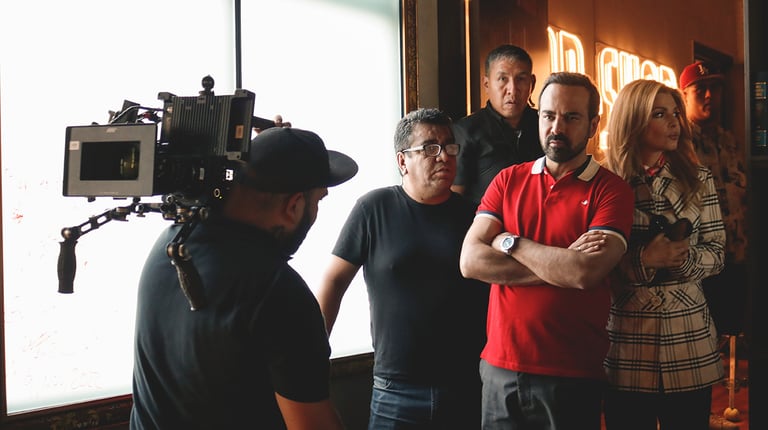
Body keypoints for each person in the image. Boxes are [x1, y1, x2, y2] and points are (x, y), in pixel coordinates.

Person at [130, 127, 358, 429]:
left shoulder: (171, 246)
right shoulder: (278, 290)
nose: (315, 212)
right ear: (293, 206)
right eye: (318, 201)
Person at [459, 71, 634, 430]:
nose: (557, 127)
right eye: (549, 115)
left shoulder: (611, 191)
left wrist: (509, 242)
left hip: (571, 372)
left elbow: (584, 273)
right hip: (499, 367)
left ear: (593, 125)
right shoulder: (508, 180)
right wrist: (560, 263)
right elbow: (470, 261)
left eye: (571, 117)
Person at [317, 108, 490, 429]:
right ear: (402, 161)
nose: (444, 156)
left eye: (449, 147)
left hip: (466, 385)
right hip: (395, 390)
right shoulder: (374, 208)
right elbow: (333, 281)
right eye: (430, 148)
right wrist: (311, 356)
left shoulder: (477, 217)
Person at [603, 79, 726, 430]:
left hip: (688, 336)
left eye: (675, 113)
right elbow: (590, 261)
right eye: (659, 114)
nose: (674, 122)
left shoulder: (699, 178)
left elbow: (717, 253)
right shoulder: (605, 180)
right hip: (627, 337)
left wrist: (682, 259)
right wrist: (643, 260)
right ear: (633, 120)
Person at [679, 61, 749, 338]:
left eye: (715, 88)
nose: (709, 95)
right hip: (700, 261)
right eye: (700, 89)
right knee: (703, 336)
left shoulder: (728, 140)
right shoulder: (678, 143)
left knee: (733, 330)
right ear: (684, 95)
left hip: (735, 253)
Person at [452, 44, 543, 205]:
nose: (512, 89)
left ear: (532, 83)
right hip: (486, 219)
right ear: (486, 84)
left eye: (521, 79)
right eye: (503, 79)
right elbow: (454, 199)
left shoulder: (545, 125)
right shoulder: (466, 131)